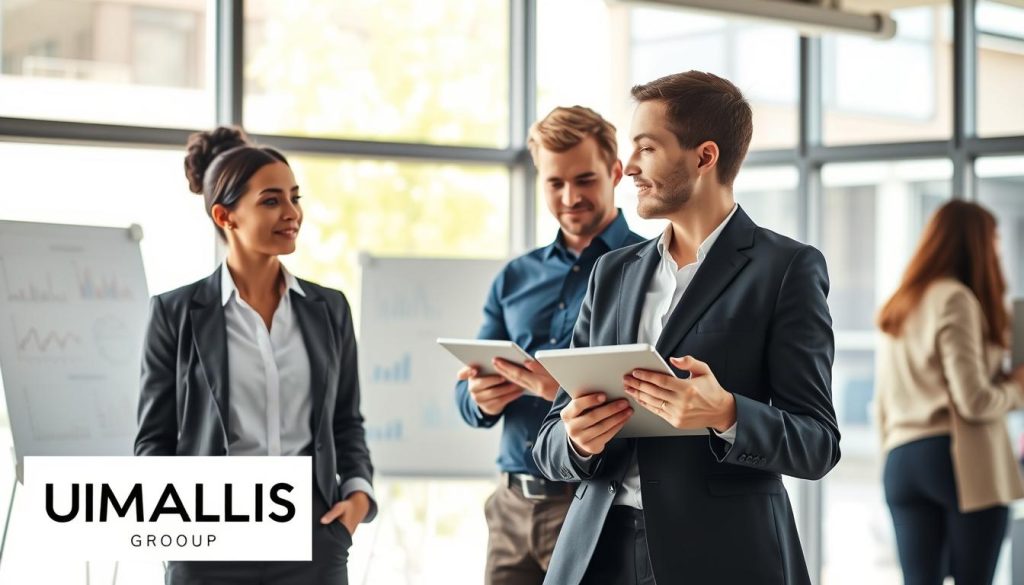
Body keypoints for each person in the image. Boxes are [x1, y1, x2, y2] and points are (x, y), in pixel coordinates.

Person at [532, 71, 841, 585]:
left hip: (722, 558)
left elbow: (818, 444)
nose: (628, 168)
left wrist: (726, 412)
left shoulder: (786, 268)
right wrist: (578, 440)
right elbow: (547, 440)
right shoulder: (612, 273)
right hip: (596, 554)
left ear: (704, 156)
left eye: (647, 148)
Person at [135, 126, 375, 585]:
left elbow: (346, 420)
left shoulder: (329, 309)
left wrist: (357, 497)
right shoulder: (175, 313)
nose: (292, 213)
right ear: (226, 216)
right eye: (271, 201)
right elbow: (154, 440)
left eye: (294, 197)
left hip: (313, 538)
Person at [455, 106, 644, 585]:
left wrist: (556, 390)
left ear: (616, 172)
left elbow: (653, 392)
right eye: (555, 183)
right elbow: (466, 389)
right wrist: (477, 399)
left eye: (585, 180)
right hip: (510, 506)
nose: (570, 197)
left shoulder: (648, 270)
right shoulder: (516, 277)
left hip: (594, 502)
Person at [876, 200, 1024, 585]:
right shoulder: (955, 298)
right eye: (994, 241)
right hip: (957, 460)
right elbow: (973, 400)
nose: (997, 251)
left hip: (901, 462)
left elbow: (883, 402)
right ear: (975, 244)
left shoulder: (902, 301)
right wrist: (1016, 389)